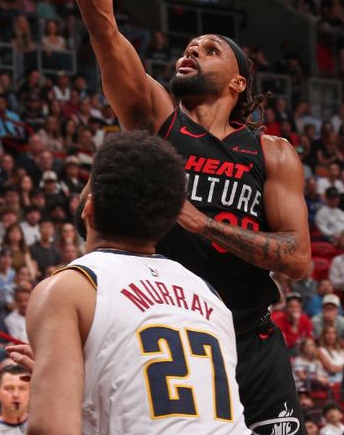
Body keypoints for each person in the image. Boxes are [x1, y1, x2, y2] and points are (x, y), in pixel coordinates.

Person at [37, 0, 311, 431]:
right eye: (189, 46)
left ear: (239, 81)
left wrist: (203, 224)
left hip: (250, 334)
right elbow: (102, 25)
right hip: (171, 327)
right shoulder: (158, 119)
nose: (191, 50)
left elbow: (299, 259)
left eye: (209, 50)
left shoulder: (273, 153)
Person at [20, 131, 249, 434]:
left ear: (90, 207)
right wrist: (72, 386)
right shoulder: (210, 295)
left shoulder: (68, 289)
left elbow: (51, 430)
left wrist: (54, 396)